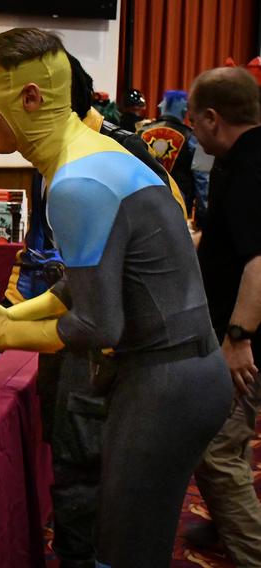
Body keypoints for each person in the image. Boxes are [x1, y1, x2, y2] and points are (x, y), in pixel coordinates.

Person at [0, 28, 232, 566]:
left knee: (122, 554)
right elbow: (84, 284)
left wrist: (2, 332)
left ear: (29, 98)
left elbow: (98, 324)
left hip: (165, 383)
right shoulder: (97, 153)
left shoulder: (76, 182)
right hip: (179, 375)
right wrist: (11, 312)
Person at [188, 66, 261, 566]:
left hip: (247, 341)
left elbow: (259, 261)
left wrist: (238, 336)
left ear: (212, 118)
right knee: (229, 448)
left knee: (216, 454)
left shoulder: (251, 169)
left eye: (193, 121)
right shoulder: (245, 159)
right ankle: (225, 526)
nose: (190, 130)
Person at [139, 90, 200, 218]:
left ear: (163, 106)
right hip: (179, 203)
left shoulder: (142, 131)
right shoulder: (190, 136)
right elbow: (200, 176)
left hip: (144, 200)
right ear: (184, 110)